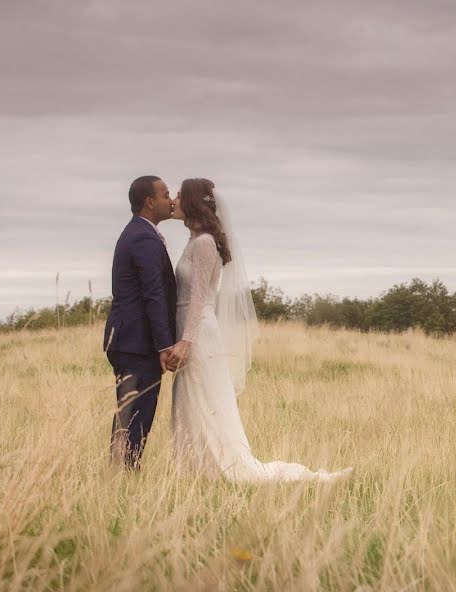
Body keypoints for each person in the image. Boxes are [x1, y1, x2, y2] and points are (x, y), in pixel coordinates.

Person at [167, 178, 352, 483]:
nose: (173, 199)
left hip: (198, 334)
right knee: (193, 404)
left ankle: (220, 470)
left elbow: (198, 300)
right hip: (193, 330)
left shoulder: (203, 244)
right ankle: (196, 470)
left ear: (191, 202)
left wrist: (185, 341)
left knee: (202, 402)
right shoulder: (196, 240)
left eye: (178, 195)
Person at [103, 175, 177, 469]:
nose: (170, 200)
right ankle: (124, 472)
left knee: (131, 413)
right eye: (165, 195)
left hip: (132, 340)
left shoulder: (140, 233)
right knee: (136, 414)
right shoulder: (143, 237)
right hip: (136, 343)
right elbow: (153, 294)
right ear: (149, 201)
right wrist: (164, 345)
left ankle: (120, 471)